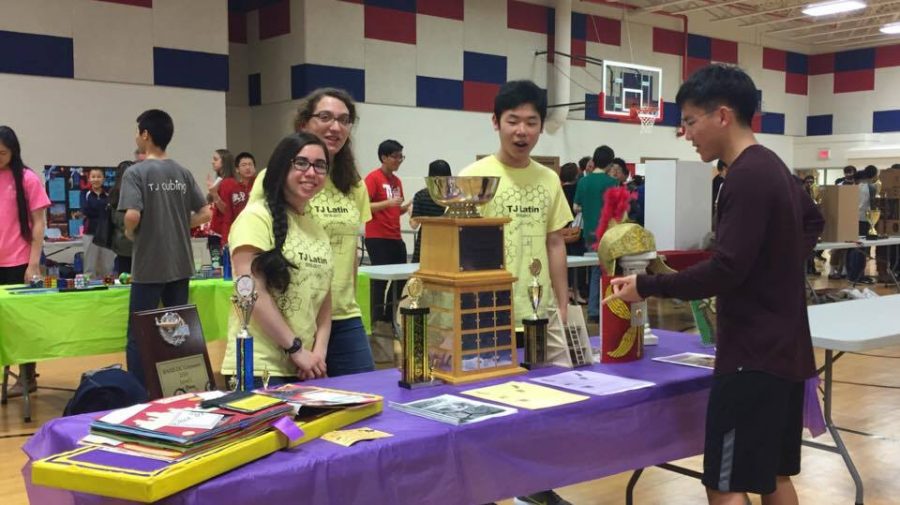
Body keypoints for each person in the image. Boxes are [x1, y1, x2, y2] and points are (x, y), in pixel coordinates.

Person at [605, 64, 824, 505]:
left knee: (723, 483)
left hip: (751, 358)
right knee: (774, 475)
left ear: (722, 116)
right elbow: (812, 220)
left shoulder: (744, 175)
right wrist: (776, 264)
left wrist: (647, 286)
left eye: (689, 121)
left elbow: (726, 270)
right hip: (785, 350)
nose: (686, 133)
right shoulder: (775, 167)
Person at [459, 80, 573, 505]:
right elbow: (459, 247)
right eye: (513, 121)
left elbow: (555, 242)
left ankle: (535, 488)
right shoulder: (472, 178)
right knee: (485, 407)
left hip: (538, 312)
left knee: (544, 405)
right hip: (485, 315)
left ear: (541, 127)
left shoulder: (548, 179)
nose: (521, 130)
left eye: (531, 122)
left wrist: (562, 302)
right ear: (496, 123)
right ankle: (482, 491)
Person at [250, 88, 375, 376]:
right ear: (304, 123)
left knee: (366, 400)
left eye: (344, 120)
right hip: (293, 318)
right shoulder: (272, 180)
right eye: (326, 117)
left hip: (343, 315)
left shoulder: (355, 186)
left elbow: (351, 251)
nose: (336, 127)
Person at [221, 133, 334, 385]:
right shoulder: (256, 217)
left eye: (320, 165)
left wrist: (317, 354)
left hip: (306, 367)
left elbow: (325, 298)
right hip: (261, 368)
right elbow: (250, 292)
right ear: (283, 166)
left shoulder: (316, 227)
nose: (311, 172)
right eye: (301, 163)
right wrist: (295, 349)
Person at [118, 109, 211, 388]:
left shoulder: (136, 172)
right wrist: (180, 224)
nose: (136, 136)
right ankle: (181, 386)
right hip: (180, 264)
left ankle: (137, 390)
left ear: (145, 135)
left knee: (139, 332)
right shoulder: (182, 172)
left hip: (149, 266)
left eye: (138, 131)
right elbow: (205, 213)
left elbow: (132, 215)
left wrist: (130, 231)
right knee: (178, 329)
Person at [0, 126, 50, 397]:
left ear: (13, 151)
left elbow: (39, 223)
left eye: (3, 153)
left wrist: (33, 264)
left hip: (19, 263)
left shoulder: (27, 178)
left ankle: (27, 376)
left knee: (21, 323)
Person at [364, 139, 411, 342]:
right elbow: (364, 206)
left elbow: (393, 209)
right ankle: (376, 321)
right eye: (395, 156)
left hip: (395, 236)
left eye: (401, 156)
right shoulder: (373, 178)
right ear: (384, 157)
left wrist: (404, 207)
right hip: (377, 237)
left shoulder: (397, 181)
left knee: (401, 278)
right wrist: (388, 203)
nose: (399, 160)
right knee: (379, 282)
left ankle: (389, 317)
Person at [574, 145, 619, 323]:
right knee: (606, 272)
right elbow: (618, 211)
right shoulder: (612, 183)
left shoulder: (583, 182)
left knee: (594, 270)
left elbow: (576, 207)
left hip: (589, 233)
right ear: (609, 163)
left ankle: (593, 310)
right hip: (608, 233)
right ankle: (602, 309)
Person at [409, 159, 450, 263]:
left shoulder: (421, 195)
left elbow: (414, 225)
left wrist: (410, 212)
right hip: (448, 241)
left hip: (425, 242)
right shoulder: (454, 196)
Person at [80, 167, 115, 276]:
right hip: (90, 233)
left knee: (107, 266)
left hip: (107, 233)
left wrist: (97, 210)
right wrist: (103, 210)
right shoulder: (85, 193)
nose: (96, 179)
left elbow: (112, 210)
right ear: (89, 179)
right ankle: (90, 290)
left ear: (103, 179)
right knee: (90, 266)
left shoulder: (109, 193)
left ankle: (109, 290)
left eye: (99, 176)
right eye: (93, 177)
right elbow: (85, 210)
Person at [217, 151, 256, 244]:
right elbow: (228, 215)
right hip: (239, 234)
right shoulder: (233, 190)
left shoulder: (261, 187)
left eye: (250, 164)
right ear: (237, 169)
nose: (248, 167)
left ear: (255, 168)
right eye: (244, 165)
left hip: (257, 233)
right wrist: (225, 239)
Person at [107, 161, 135, 274]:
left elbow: (114, 218)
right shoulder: (137, 193)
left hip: (120, 242)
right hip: (135, 240)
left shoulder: (113, 193)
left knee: (124, 277)